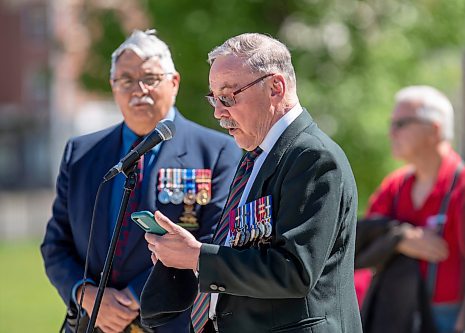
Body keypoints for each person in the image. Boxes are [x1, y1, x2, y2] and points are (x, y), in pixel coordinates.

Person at [142, 33, 362, 333]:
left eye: (228, 96)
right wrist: (188, 253)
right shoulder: (255, 156)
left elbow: (294, 271)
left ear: (275, 88)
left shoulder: (313, 157)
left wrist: (197, 256)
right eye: (214, 98)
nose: (218, 112)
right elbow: (247, 249)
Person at [40, 29, 242, 333]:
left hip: (173, 322)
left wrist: (132, 297)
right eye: (126, 80)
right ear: (113, 86)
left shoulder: (217, 151)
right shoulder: (81, 153)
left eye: (150, 78)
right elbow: (56, 244)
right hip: (92, 322)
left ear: (174, 83)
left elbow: (213, 240)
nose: (139, 90)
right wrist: (86, 294)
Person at [355, 86, 465, 333]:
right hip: (395, 315)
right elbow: (358, 240)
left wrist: (463, 328)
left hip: (449, 319)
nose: (391, 132)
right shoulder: (394, 186)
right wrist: (400, 237)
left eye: (401, 124)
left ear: (434, 129)